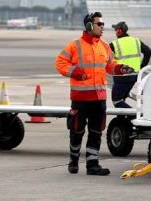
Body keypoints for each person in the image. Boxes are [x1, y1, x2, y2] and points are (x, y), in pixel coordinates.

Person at [55, 12, 135, 176]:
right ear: (89, 26)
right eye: (99, 24)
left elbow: (110, 65)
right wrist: (75, 72)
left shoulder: (104, 46)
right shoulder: (75, 45)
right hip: (81, 98)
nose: (102, 27)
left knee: (96, 132)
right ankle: (74, 160)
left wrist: (120, 69)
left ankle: (92, 164)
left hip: (99, 98)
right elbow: (60, 63)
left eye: (102, 24)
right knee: (77, 131)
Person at [109, 21, 151, 108]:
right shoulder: (136, 41)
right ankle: (123, 119)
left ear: (119, 31)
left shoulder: (114, 44)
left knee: (116, 100)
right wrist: (141, 66)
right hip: (134, 76)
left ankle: (135, 115)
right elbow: (148, 52)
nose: (115, 32)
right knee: (122, 99)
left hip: (121, 77)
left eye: (116, 30)